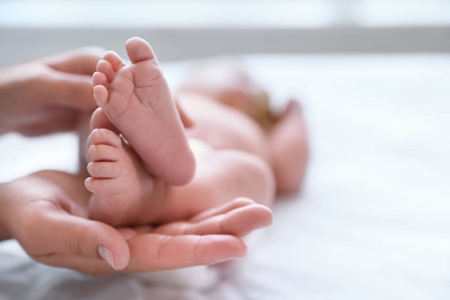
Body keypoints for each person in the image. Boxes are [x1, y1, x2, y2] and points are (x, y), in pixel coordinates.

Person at [0, 45, 278, 276]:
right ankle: (150, 188)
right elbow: (291, 164)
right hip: (201, 157)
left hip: (111, 166)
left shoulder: (190, 102)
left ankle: (122, 152)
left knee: (94, 150)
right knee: (254, 174)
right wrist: (293, 115)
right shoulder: (250, 126)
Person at [82, 37, 308, 242]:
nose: (245, 88)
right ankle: (127, 169)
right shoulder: (178, 106)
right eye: (239, 78)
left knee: (253, 175)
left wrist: (290, 115)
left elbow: (289, 169)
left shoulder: (257, 127)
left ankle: (135, 186)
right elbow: (290, 170)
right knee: (255, 176)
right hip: (164, 143)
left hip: (199, 163)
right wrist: (294, 113)